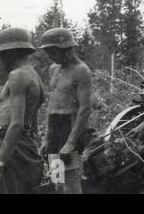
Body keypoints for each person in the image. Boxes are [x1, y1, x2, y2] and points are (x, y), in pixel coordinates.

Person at [39, 28, 92, 194]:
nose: (50, 56)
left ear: (66, 48)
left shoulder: (81, 70)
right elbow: (53, 104)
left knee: (71, 185)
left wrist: (70, 143)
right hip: (55, 129)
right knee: (58, 183)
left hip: (70, 128)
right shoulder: (53, 69)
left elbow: (85, 108)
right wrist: (47, 138)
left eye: (52, 51)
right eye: (48, 52)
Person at [0, 27, 44, 193]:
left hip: (8, 146)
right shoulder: (34, 75)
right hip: (20, 145)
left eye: (2, 54)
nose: (1, 60)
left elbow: (16, 124)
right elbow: (32, 121)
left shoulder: (18, 75)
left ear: (12, 53)